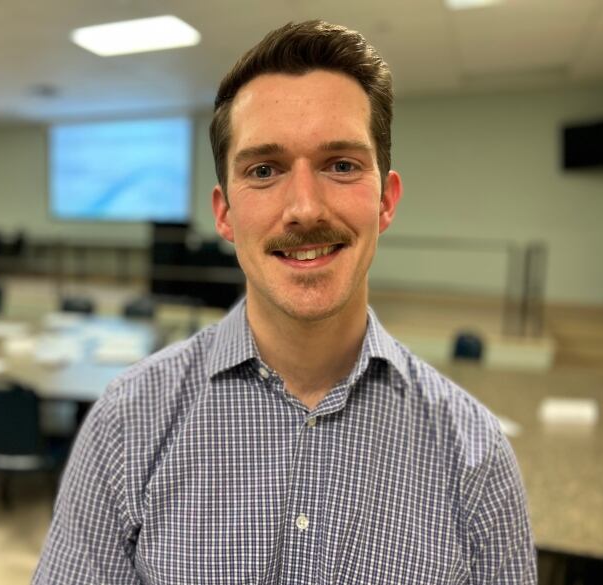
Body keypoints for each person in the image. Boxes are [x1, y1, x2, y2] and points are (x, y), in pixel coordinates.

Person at [33, 20, 536, 584]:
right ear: (224, 213)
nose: (304, 208)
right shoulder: (126, 425)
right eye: (264, 170)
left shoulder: (475, 459)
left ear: (386, 202)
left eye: (341, 165)